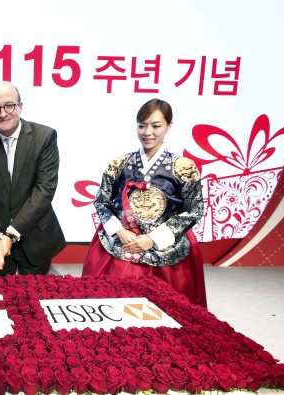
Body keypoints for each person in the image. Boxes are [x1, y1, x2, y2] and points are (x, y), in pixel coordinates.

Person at [81, 98, 207, 307]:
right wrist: (119, 231)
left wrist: (153, 238)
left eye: (156, 126)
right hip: (122, 242)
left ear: (169, 126)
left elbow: (194, 210)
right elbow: (101, 202)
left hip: (165, 246)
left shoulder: (184, 167)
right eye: (142, 125)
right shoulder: (119, 163)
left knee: (168, 313)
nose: (147, 132)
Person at [0, 81, 66, 275]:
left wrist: (11, 234)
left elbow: (44, 190)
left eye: (9, 105)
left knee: (34, 296)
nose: (3, 113)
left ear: (20, 106)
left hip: (36, 234)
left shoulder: (45, 137)